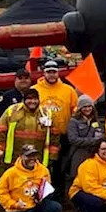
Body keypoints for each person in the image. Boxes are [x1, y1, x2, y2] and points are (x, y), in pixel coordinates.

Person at [0, 144, 61, 212]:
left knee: (55, 207)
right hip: (18, 208)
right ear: (21, 156)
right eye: (28, 156)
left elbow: (47, 186)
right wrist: (13, 204)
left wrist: (42, 196)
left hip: (36, 204)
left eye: (34, 155)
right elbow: (0, 192)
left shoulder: (43, 170)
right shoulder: (10, 173)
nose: (32, 159)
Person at [33, 60, 79, 192]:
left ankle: (58, 192)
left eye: (54, 72)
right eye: (49, 72)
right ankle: (41, 192)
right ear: (44, 73)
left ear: (58, 73)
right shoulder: (35, 89)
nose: (51, 75)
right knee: (41, 164)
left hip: (62, 135)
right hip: (41, 135)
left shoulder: (68, 90)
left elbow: (75, 111)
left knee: (60, 165)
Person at [0, 88, 51, 167]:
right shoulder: (12, 111)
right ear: (24, 100)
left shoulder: (46, 113)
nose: (32, 101)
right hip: (14, 158)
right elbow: (0, 131)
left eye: (35, 99)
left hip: (37, 159)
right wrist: (2, 150)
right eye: (29, 98)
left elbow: (54, 135)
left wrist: (52, 156)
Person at [66, 94, 104, 190]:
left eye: (89, 106)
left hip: (93, 154)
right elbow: (73, 139)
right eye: (85, 106)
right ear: (80, 108)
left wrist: (97, 140)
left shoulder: (96, 120)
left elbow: (102, 135)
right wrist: (93, 141)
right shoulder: (73, 121)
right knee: (76, 178)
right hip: (78, 154)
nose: (88, 109)